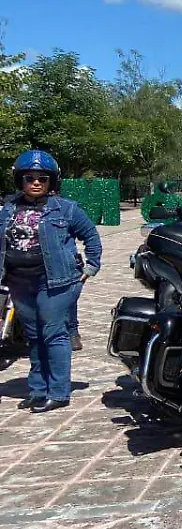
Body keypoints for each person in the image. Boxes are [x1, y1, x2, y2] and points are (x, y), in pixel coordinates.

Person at [0, 150, 102, 412]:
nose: (35, 182)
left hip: (56, 282)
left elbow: (90, 236)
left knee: (53, 333)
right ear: (20, 180)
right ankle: (38, 389)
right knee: (33, 337)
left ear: (51, 181)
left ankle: (58, 392)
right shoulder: (8, 209)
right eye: (29, 177)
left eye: (42, 178)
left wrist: (90, 267)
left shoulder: (66, 209)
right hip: (19, 282)